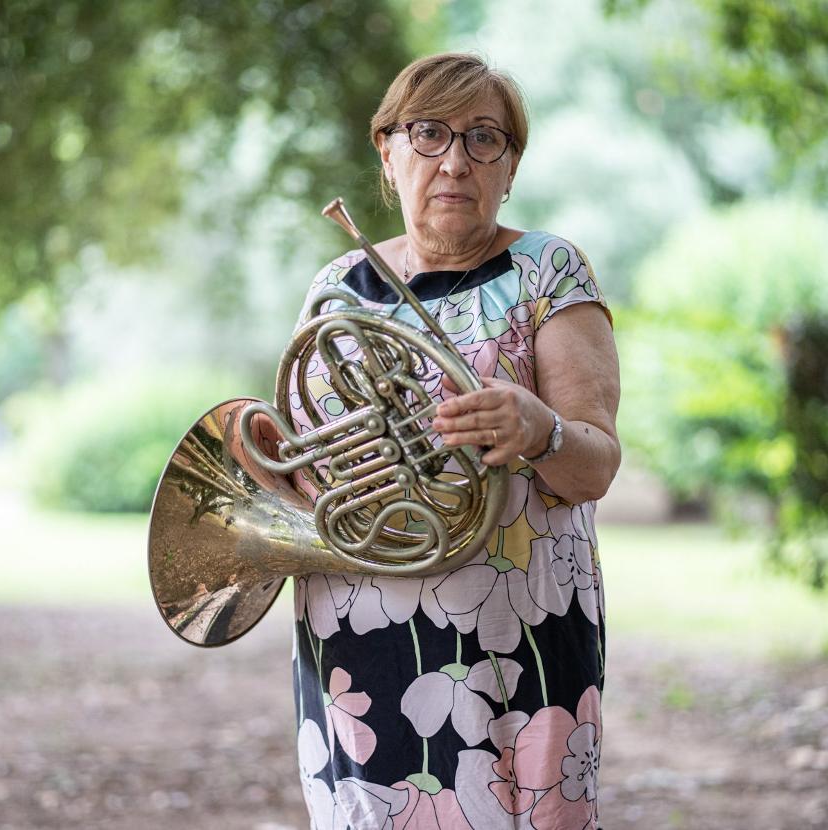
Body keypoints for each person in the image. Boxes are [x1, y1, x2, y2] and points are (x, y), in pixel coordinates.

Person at [290, 52, 621, 830]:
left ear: (510, 167)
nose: (455, 160)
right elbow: (311, 465)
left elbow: (598, 461)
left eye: (483, 139)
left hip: (518, 637)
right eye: (429, 134)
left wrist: (539, 431)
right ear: (388, 151)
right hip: (358, 634)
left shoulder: (548, 271)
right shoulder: (338, 288)